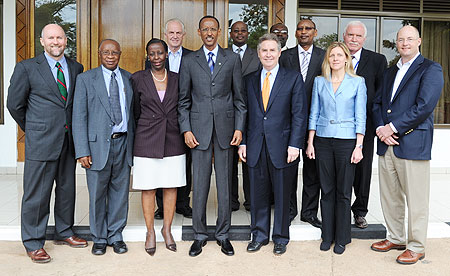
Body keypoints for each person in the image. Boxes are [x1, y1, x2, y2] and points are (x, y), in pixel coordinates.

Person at [7, 23, 87, 263]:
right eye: (51, 38)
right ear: (42, 41)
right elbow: (14, 105)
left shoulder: (76, 67)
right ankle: (33, 242)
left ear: (65, 41)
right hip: (41, 141)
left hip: (68, 140)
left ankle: (64, 231)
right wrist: (33, 128)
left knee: (66, 190)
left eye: (60, 38)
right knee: (37, 194)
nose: (56, 42)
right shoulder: (27, 68)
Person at [371, 25, 444, 265]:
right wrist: (381, 129)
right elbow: (378, 103)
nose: (404, 43)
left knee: (416, 199)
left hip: (412, 143)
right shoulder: (390, 71)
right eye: (401, 39)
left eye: (409, 39)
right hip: (386, 144)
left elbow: (424, 106)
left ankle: (416, 245)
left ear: (419, 41)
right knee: (390, 197)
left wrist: (392, 128)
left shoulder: (431, 69)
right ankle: (396, 237)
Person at [178, 15, 246, 257]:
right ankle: (199, 235)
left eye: (213, 29)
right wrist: (186, 129)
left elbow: (240, 99)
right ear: (199, 32)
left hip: (227, 132)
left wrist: (239, 128)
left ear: (219, 32)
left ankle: (223, 234)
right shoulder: (188, 61)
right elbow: (183, 100)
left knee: (225, 186)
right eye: (204, 29)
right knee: (201, 185)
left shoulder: (232, 58)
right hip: (198, 132)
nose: (209, 33)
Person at [238, 33, 306, 255]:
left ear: (279, 53)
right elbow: (246, 114)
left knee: (282, 194)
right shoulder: (249, 79)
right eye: (264, 50)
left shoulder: (293, 78)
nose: (268, 54)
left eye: (272, 50)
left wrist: (295, 145)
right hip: (255, 146)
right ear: (258, 54)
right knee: (257, 194)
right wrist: (244, 143)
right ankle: (259, 235)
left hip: (284, 146)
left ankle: (280, 237)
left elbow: (299, 114)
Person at [72, 39, 134, 256]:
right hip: (96, 147)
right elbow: (78, 117)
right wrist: (82, 150)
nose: (110, 56)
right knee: (97, 194)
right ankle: (99, 237)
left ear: (120, 54)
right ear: (99, 54)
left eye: (114, 52)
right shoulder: (86, 79)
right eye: (106, 52)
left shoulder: (128, 78)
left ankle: (116, 235)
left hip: (124, 143)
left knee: (120, 193)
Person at [306, 42, 367, 254]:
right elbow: (313, 112)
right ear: (328, 59)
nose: (335, 59)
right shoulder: (319, 82)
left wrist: (359, 146)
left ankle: (342, 237)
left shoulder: (358, 82)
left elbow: (361, 116)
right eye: (332, 55)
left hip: (347, 142)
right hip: (322, 140)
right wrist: (310, 142)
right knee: (327, 189)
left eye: (339, 55)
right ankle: (327, 235)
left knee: (343, 191)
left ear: (346, 58)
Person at [131, 38, 186, 256]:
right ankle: (150, 232)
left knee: (171, 186)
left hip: (173, 139)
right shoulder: (137, 78)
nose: (156, 58)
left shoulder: (177, 78)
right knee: (148, 187)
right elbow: (134, 111)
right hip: (146, 138)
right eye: (152, 54)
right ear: (147, 56)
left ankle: (167, 230)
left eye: (160, 53)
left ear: (166, 54)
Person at [280, 18, 325, 228]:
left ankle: (309, 212)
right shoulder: (285, 56)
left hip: (317, 122)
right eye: (300, 29)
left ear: (315, 32)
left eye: (308, 29)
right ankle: (289, 210)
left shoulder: (324, 56)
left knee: (312, 170)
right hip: (289, 121)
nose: (304, 32)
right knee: (289, 167)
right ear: (295, 33)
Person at [343, 21, 388, 229]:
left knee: (362, 170)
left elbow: (380, 94)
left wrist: (380, 125)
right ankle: (340, 209)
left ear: (364, 39)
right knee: (341, 169)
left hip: (366, 125)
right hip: (340, 125)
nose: (354, 39)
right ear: (344, 36)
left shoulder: (377, 60)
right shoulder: (335, 55)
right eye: (350, 35)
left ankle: (360, 211)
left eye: (358, 36)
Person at [153, 18, 193, 220]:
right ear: (166, 35)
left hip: (186, 119)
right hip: (162, 121)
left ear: (183, 35)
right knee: (163, 162)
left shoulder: (193, 57)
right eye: (171, 33)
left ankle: (183, 204)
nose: (175, 36)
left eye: (178, 33)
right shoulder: (156, 57)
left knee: (185, 163)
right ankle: (162, 206)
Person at [229, 20, 261, 212]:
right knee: (229, 163)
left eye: (243, 31)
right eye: (236, 31)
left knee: (250, 160)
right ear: (231, 34)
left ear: (248, 33)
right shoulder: (222, 54)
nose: (240, 34)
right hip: (227, 115)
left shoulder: (257, 55)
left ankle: (250, 200)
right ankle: (232, 200)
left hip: (252, 114)